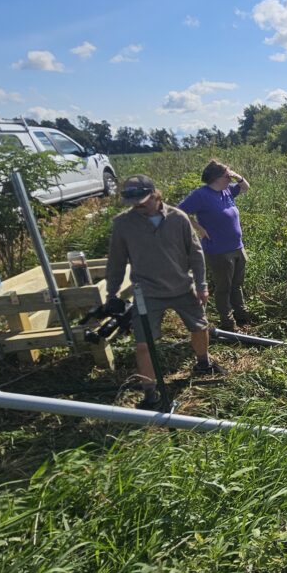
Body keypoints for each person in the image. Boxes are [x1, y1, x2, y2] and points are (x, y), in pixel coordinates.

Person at [105, 174, 223, 410]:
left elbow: (196, 254)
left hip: (182, 287)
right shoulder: (123, 224)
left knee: (199, 327)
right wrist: (112, 294)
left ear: (155, 194)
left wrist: (201, 285)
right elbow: (116, 262)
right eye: (134, 202)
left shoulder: (178, 218)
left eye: (143, 200)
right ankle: (150, 392)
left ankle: (202, 362)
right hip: (146, 292)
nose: (139, 206)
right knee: (143, 344)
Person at [177, 159, 254, 331]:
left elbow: (246, 188)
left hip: (237, 247)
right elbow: (179, 212)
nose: (231, 177)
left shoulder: (227, 190)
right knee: (223, 288)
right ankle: (228, 324)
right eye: (228, 174)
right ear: (217, 177)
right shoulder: (201, 195)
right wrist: (198, 228)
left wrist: (238, 177)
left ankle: (242, 317)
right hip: (219, 251)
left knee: (237, 285)